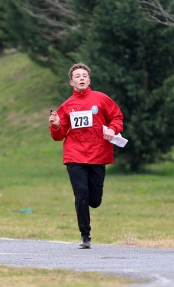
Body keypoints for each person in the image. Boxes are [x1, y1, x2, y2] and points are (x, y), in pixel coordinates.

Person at [49, 63, 124, 249]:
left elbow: (117, 117)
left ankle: (89, 207)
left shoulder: (101, 99)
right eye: (77, 76)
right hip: (74, 156)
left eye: (84, 75)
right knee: (81, 193)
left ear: (89, 80)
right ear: (71, 82)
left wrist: (113, 129)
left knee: (95, 201)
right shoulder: (66, 106)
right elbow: (58, 136)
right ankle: (85, 235)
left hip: (98, 154)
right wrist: (57, 125)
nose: (81, 78)